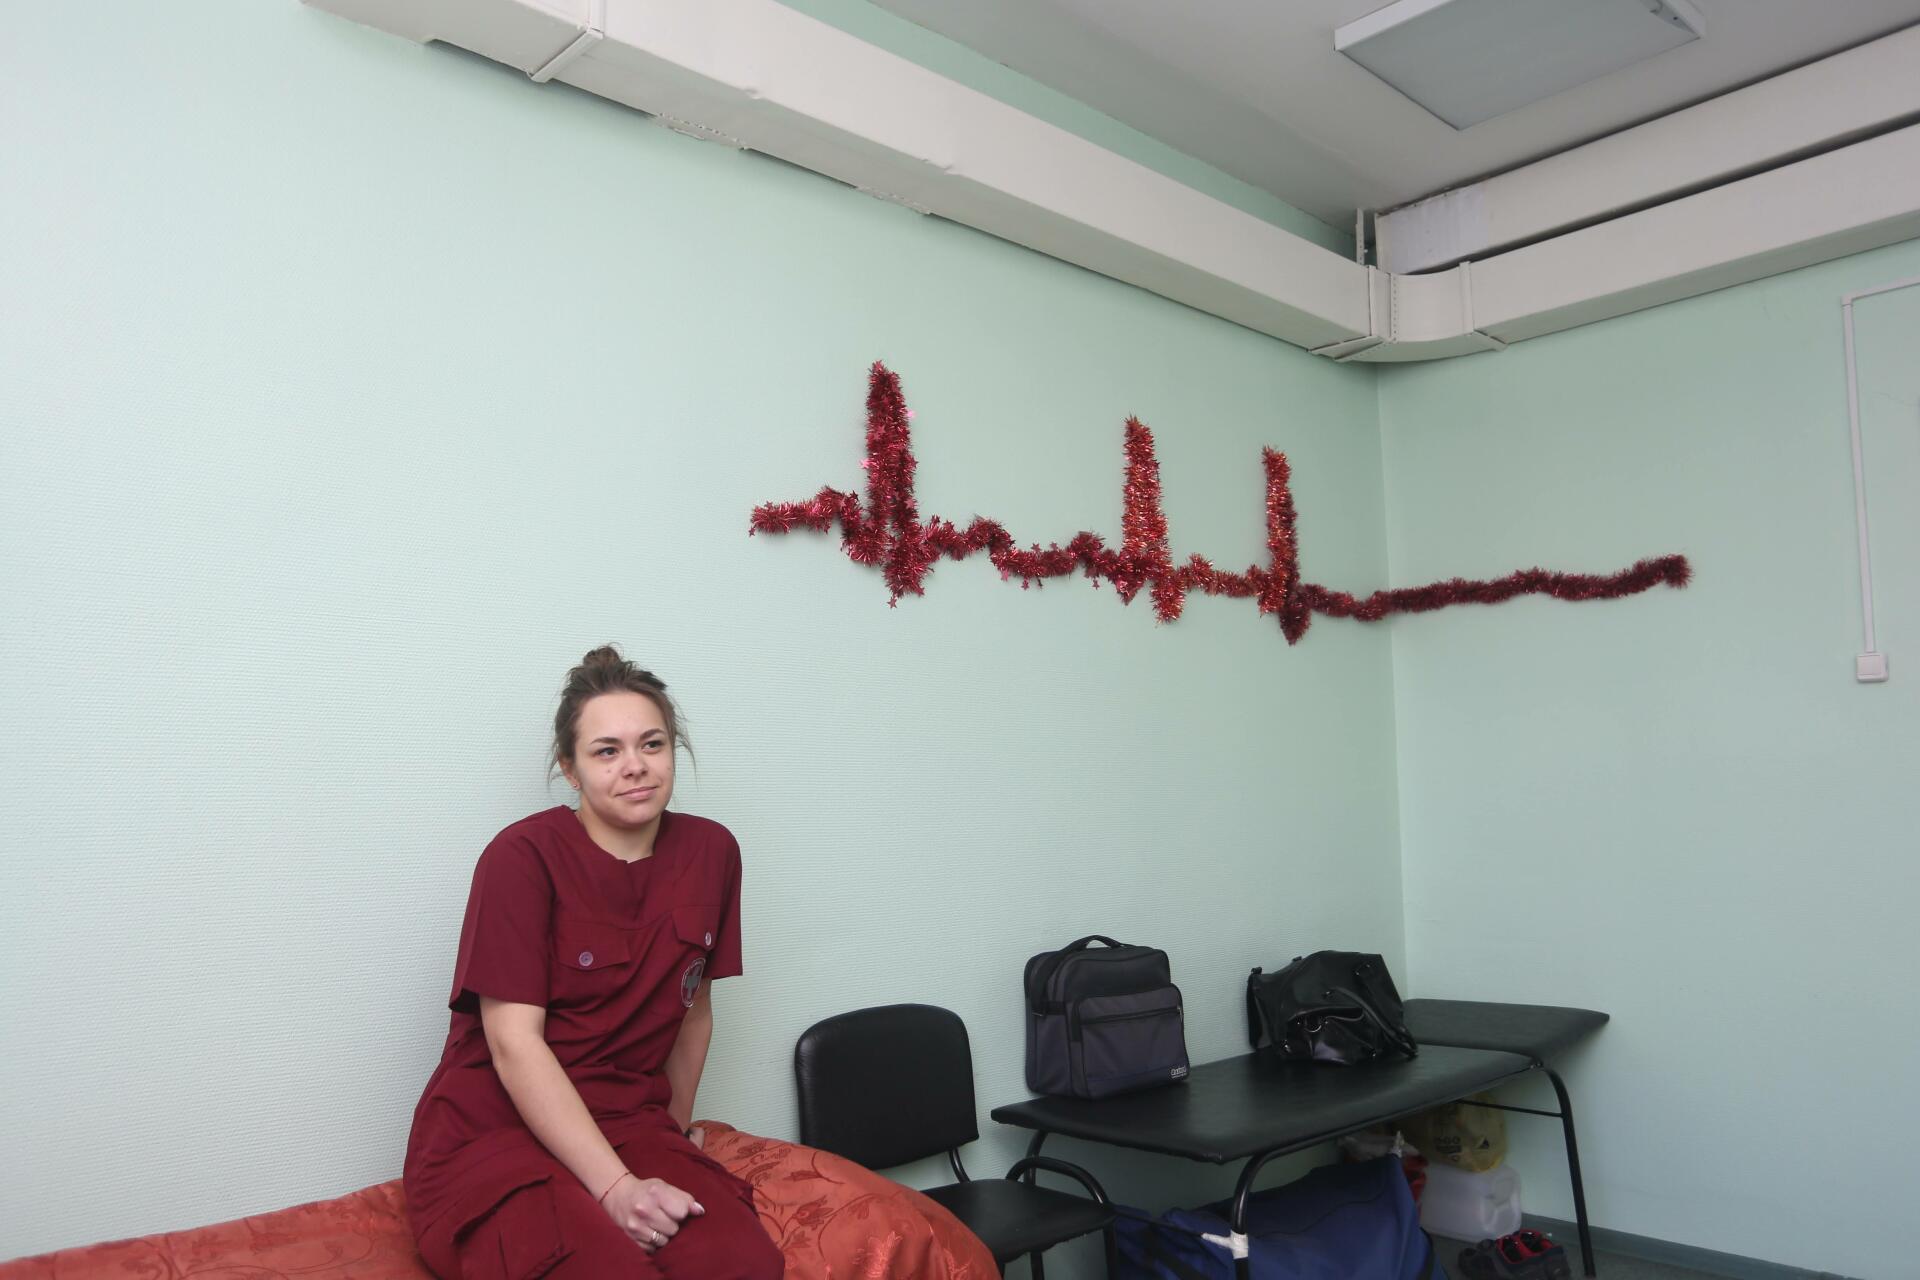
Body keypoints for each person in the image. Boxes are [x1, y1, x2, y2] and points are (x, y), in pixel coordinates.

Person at [403, 646, 782, 1279]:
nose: (635, 766)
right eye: (607, 751)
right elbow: (514, 1045)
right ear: (570, 769)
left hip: (628, 1121)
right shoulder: (520, 858)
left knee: (744, 1266)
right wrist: (616, 1189)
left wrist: (672, 1135)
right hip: (494, 1131)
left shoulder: (712, 851)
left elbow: (693, 1012)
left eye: (652, 744)